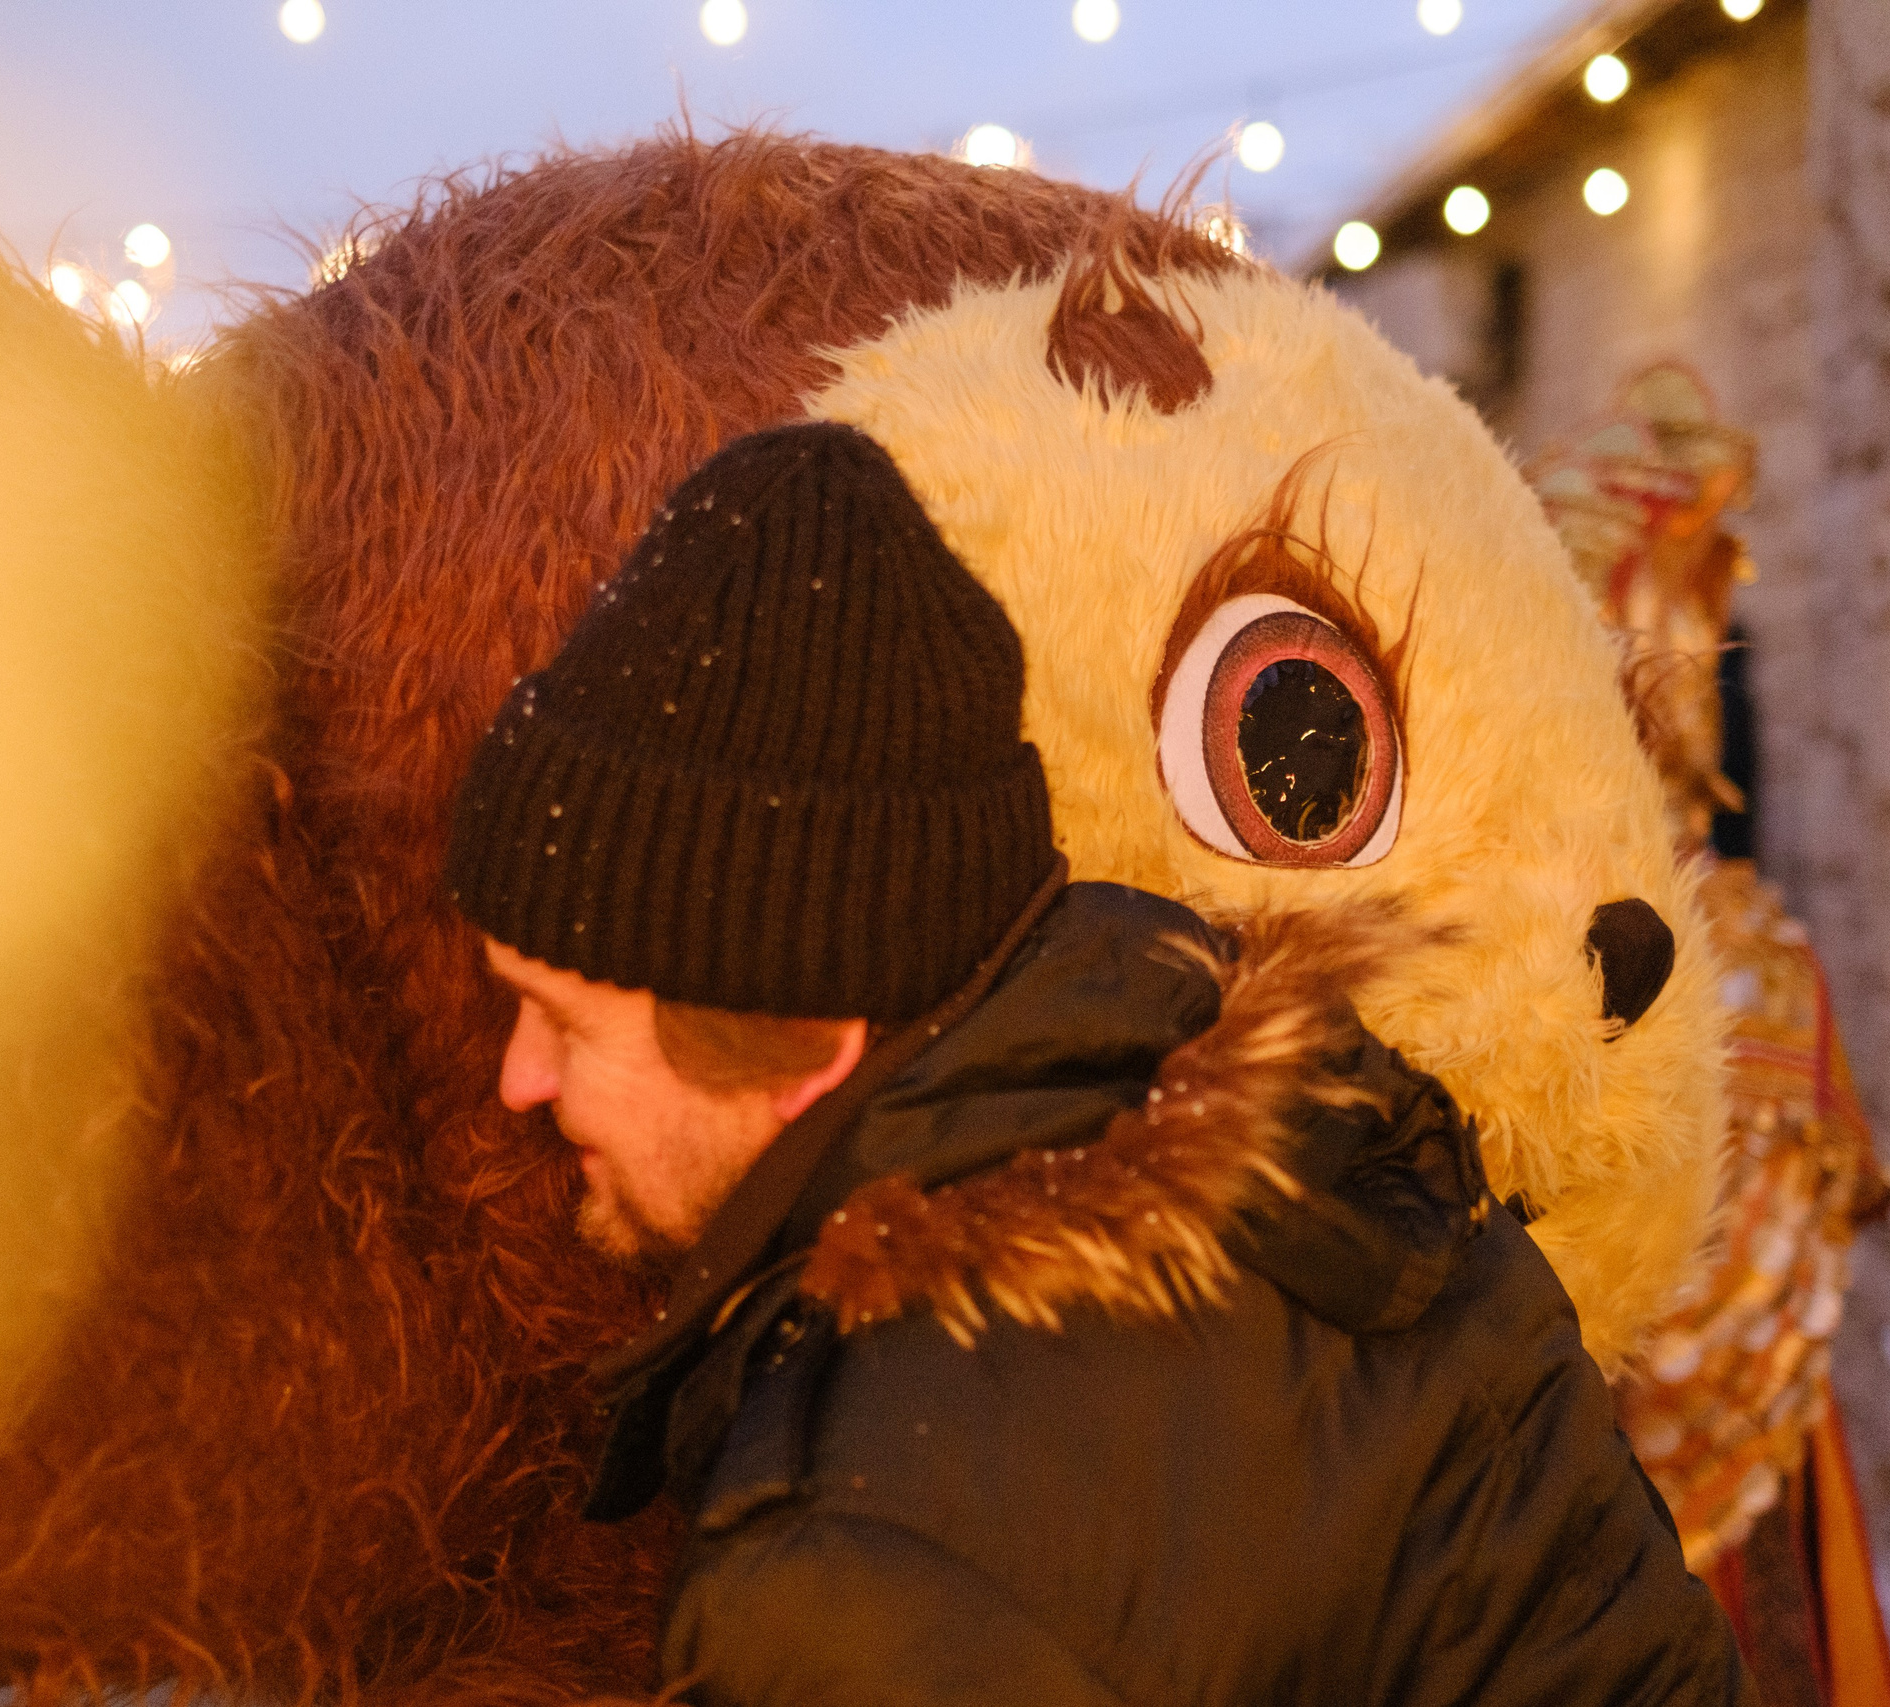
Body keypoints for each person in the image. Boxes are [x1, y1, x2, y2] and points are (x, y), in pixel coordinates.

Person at [444, 419, 1749, 1706]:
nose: (522, 1079)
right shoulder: (1303, 1135)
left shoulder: (865, 1583)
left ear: (798, 1030)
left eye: (564, 1018)